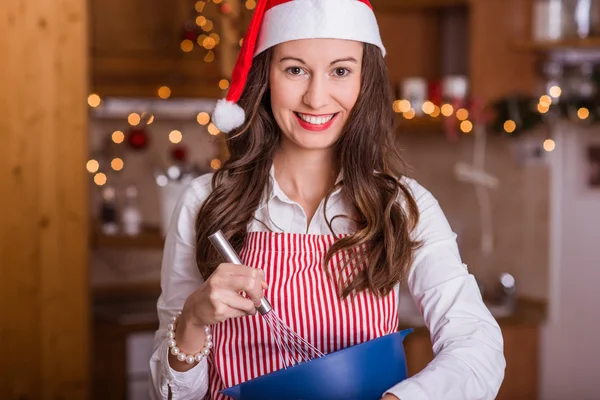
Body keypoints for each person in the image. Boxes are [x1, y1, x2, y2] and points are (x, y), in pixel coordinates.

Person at [149, 0, 506, 399]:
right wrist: (193, 320)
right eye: (295, 69)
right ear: (266, 76)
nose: (316, 99)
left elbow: (477, 344)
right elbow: (171, 396)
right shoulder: (206, 203)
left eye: (340, 71)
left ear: (363, 80)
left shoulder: (403, 207)